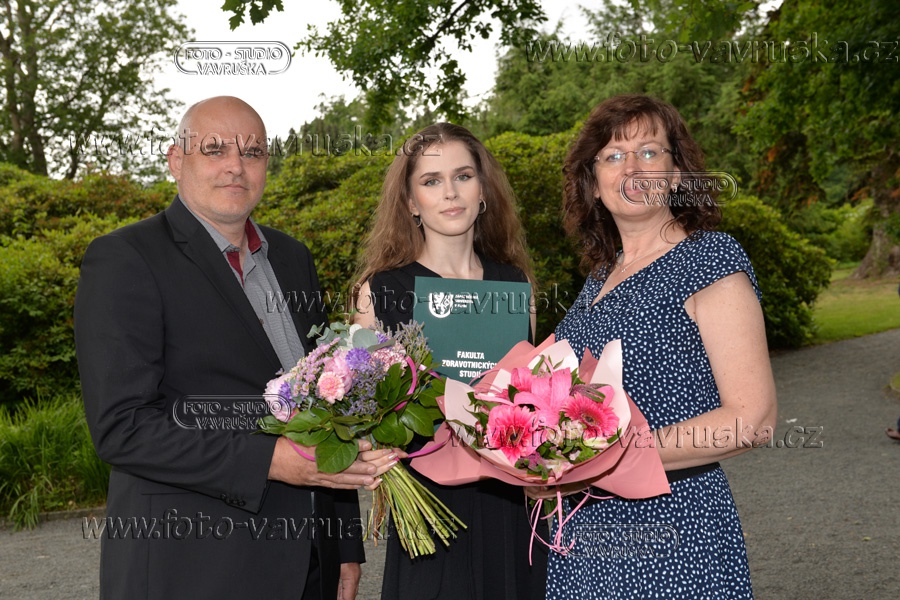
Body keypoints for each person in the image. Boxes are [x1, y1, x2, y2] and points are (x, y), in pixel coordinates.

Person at [74, 96, 397, 600]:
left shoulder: (292, 258)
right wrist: (270, 460)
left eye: (252, 152)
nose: (235, 166)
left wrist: (345, 545)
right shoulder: (126, 259)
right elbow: (123, 427)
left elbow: (326, 405)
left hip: (308, 563)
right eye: (214, 149)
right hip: (193, 567)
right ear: (176, 160)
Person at [547, 94, 777, 599]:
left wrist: (605, 455)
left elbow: (751, 419)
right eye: (613, 155)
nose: (631, 167)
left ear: (676, 174)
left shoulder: (709, 259)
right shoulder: (600, 278)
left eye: (649, 151)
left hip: (673, 528)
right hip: (583, 537)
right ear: (594, 183)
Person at [351, 123, 547, 600]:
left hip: (510, 508)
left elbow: (534, 399)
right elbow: (357, 409)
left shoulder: (515, 285)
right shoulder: (379, 292)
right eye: (431, 180)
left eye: (463, 176)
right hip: (429, 515)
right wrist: (365, 446)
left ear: (483, 190)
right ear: (411, 202)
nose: (451, 192)